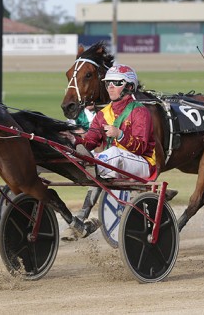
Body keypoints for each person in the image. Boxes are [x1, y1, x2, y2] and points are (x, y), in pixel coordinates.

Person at [61, 64, 157, 238]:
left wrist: (119, 135)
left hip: (143, 164)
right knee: (102, 155)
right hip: (114, 165)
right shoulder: (103, 114)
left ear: (129, 86)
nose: (110, 87)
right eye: (107, 84)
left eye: (116, 82)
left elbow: (142, 147)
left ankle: (90, 169)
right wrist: (74, 140)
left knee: (111, 153)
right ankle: (86, 167)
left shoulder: (140, 111)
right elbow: (90, 141)